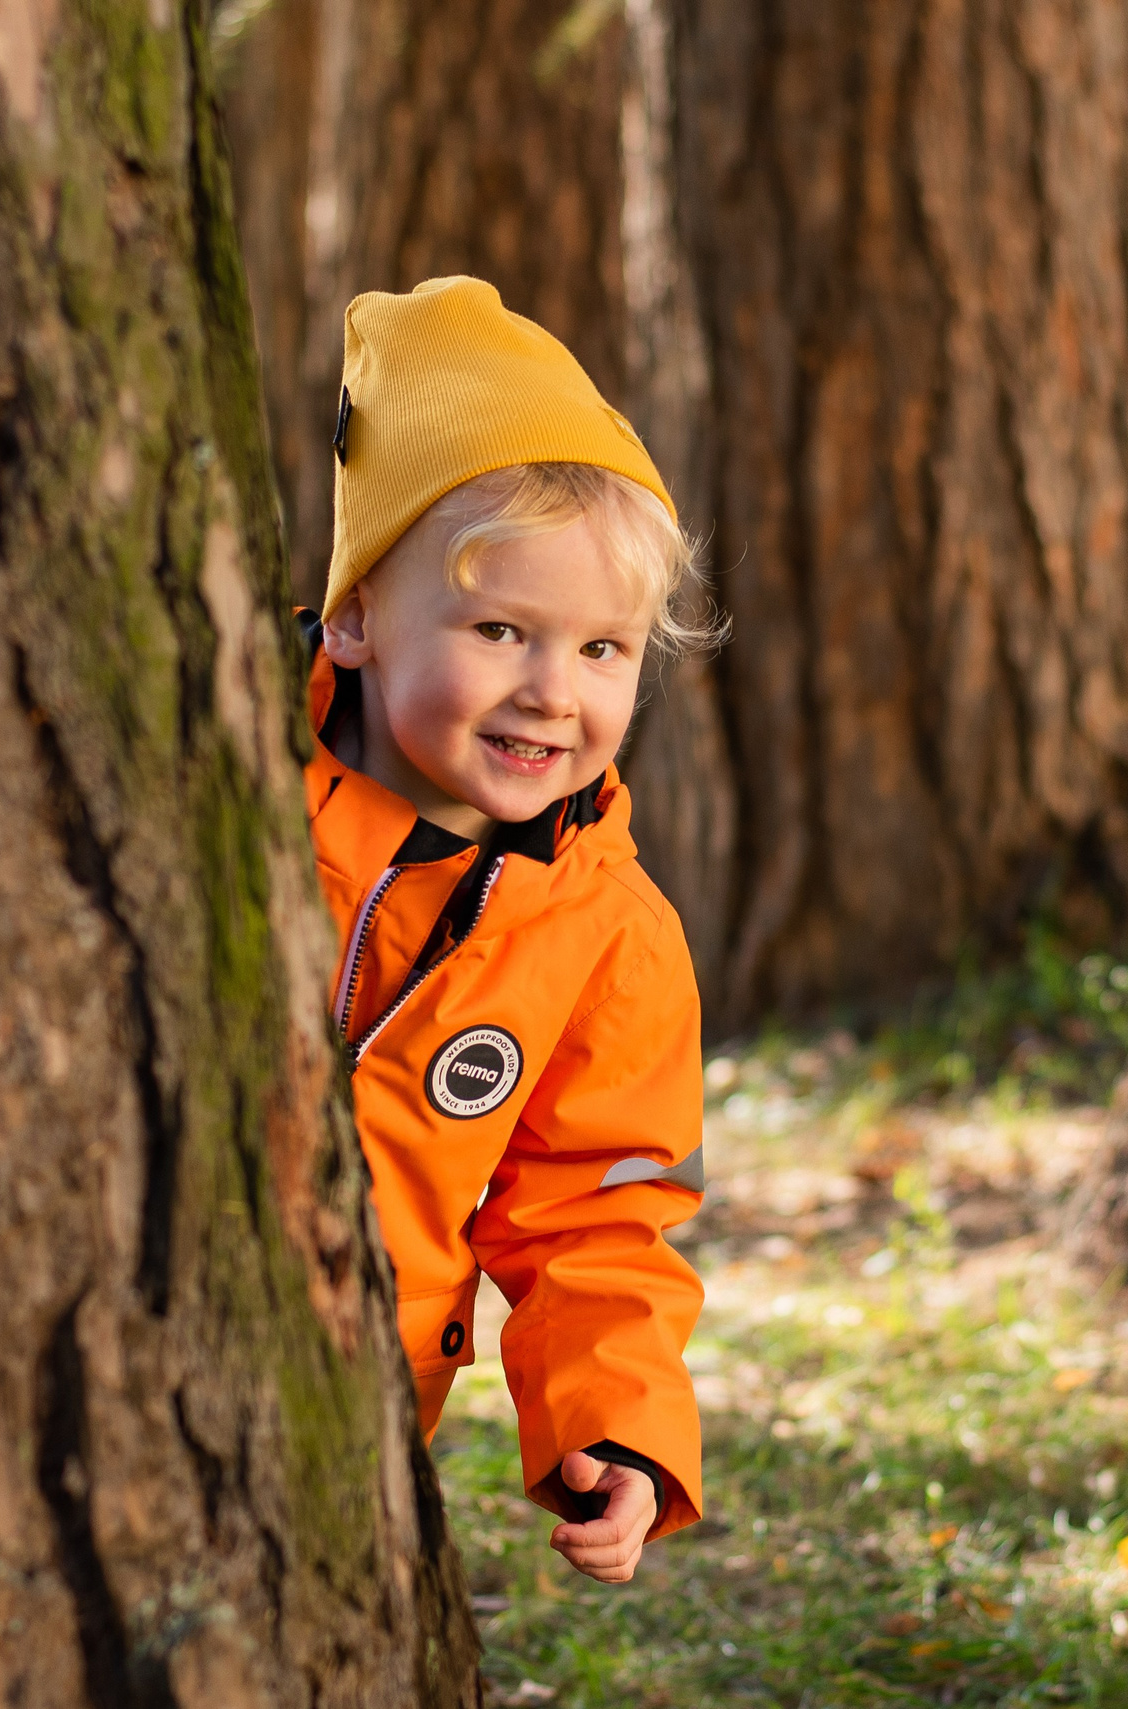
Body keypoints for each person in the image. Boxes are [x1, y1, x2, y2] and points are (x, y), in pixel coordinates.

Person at [302, 277, 716, 1584]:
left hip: (346, 1422)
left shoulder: (607, 931)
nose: (554, 691)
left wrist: (621, 1428)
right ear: (357, 614)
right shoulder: (234, 808)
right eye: (502, 631)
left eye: (604, 649)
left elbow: (597, 1216)